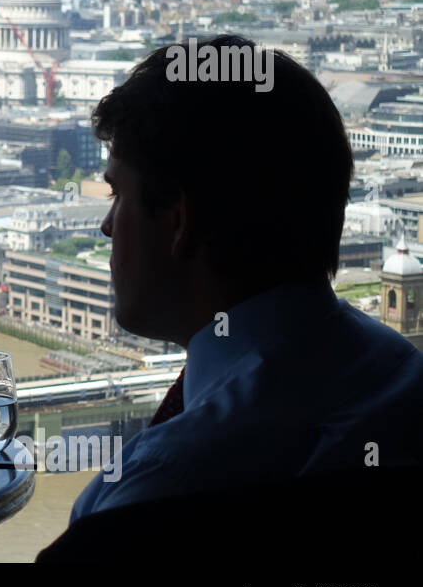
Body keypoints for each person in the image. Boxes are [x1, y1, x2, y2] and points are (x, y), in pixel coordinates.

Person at [48, 34, 423, 539]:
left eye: (118, 195)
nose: (107, 227)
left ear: (179, 221)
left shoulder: (152, 495)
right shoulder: (406, 381)